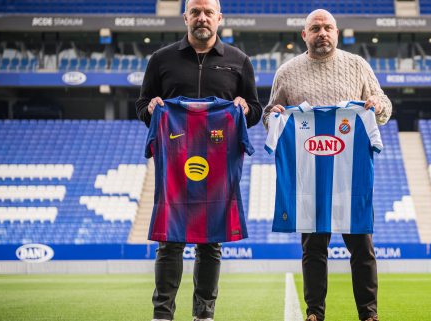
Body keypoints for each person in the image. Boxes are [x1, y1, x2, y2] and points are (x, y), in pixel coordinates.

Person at [135, 0, 262, 320]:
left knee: (210, 244)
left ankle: (203, 315)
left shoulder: (239, 61)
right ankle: (162, 314)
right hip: (175, 165)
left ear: (219, 18)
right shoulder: (160, 59)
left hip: (219, 166)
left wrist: (244, 109)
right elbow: (140, 107)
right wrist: (151, 109)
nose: (202, 18)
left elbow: (256, 111)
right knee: (169, 241)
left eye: (208, 12)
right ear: (186, 18)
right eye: (196, 12)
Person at [262, 9, 392, 321]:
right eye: (316, 28)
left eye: (328, 28)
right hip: (310, 176)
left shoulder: (358, 65)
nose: (323, 33)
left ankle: (369, 314)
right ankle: (315, 314)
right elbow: (269, 117)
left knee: (362, 248)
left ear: (337, 33)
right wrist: (274, 114)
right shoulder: (287, 72)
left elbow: (384, 108)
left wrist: (378, 106)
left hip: (350, 175)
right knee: (314, 250)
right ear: (304, 35)